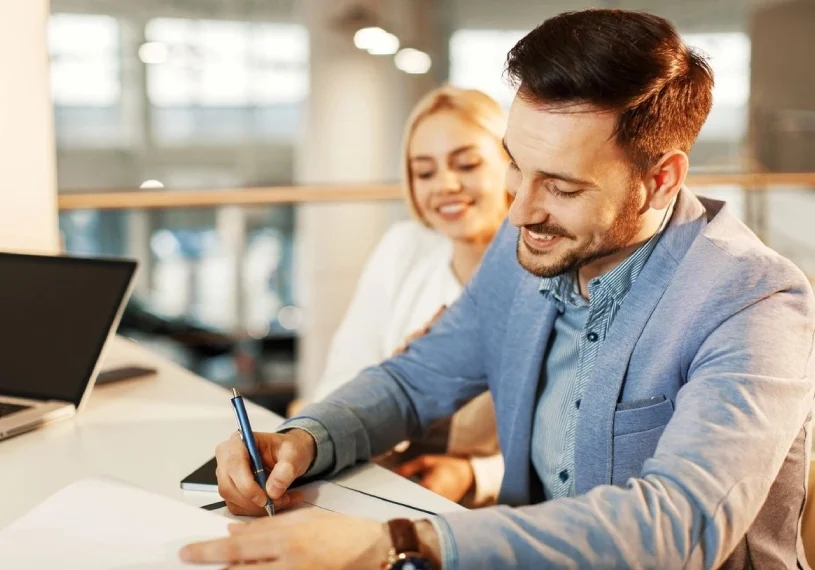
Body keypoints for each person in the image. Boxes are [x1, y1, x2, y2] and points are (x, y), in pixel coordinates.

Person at [181, 9, 815, 570]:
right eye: (516, 163)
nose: (519, 211)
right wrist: (304, 439)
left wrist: (399, 545)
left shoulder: (754, 303)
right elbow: (414, 380)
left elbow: (680, 526)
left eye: (563, 187)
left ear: (661, 177)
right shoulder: (530, 253)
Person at [298, 86, 510, 505]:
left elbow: (567, 442)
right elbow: (339, 382)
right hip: (383, 481)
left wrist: (474, 475)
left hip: (497, 508)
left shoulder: (547, 269)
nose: (446, 185)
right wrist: (399, 376)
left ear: (513, 164)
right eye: (424, 172)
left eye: (466, 164)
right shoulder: (404, 247)